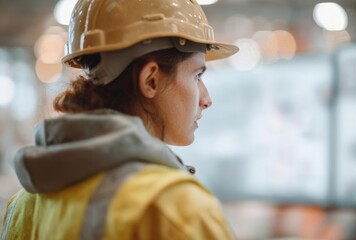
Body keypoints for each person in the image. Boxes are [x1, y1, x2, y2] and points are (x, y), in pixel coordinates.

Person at [1, 0, 239, 239]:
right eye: (197, 76)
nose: (206, 99)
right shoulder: (173, 209)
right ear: (150, 81)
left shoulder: (23, 205)